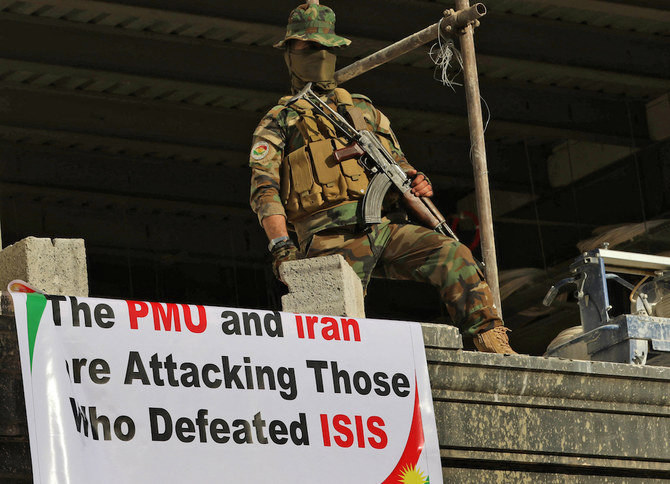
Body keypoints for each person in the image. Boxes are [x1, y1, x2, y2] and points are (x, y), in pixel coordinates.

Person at [249, 3, 516, 354]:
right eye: (310, 48)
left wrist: (415, 179)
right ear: (290, 54)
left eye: (328, 48)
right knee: (334, 330)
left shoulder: (362, 110)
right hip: (327, 237)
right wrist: (282, 248)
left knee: (453, 254)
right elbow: (264, 189)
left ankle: (491, 339)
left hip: (383, 227)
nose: (321, 55)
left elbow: (398, 163)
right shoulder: (280, 119)